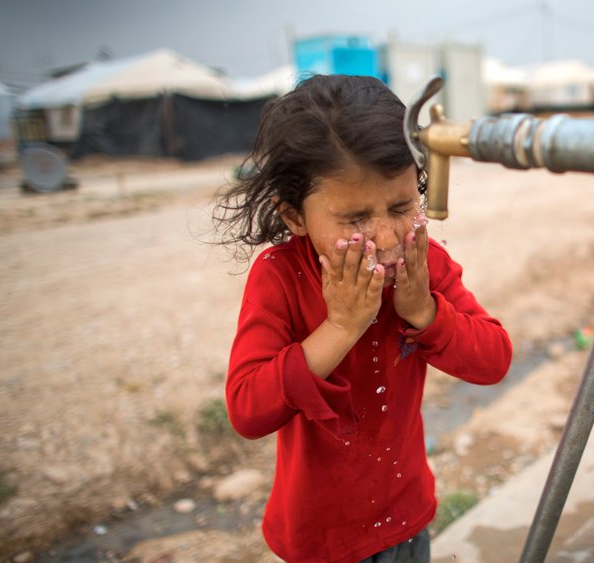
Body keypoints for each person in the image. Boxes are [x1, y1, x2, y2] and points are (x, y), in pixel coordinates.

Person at [213, 74, 513, 562]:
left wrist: (425, 312)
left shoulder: (423, 263)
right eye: (354, 220)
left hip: (405, 519)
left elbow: (495, 359)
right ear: (294, 217)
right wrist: (342, 326)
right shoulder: (281, 278)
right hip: (319, 539)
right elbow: (247, 409)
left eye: (402, 207)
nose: (389, 236)